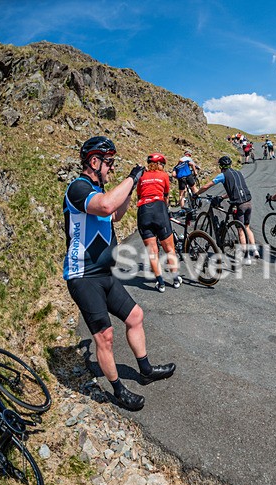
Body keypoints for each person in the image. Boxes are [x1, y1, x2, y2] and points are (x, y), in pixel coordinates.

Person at [63, 136, 176, 411]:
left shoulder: (97, 191)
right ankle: (118, 390)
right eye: (109, 162)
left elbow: (114, 215)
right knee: (105, 336)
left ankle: (145, 370)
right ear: (94, 161)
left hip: (105, 274)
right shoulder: (79, 188)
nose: (111, 168)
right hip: (83, 277)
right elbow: (105, 206)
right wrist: (130, 177)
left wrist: (130, 189)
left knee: (135, 316)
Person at [197, 155, 259, 264]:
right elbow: (236, 190)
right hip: (248, 202)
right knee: (246, 227)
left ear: (221, 166)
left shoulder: (223, 175)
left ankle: (247, 257)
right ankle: (254, 251)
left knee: (240, 231)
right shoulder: (239, 173)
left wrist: (196, 193)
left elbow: (207, 186)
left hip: (239, 204)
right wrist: (222, 197)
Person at [136, 153, 181, 292]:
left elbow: (139, 195)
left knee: (152, 252)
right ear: (159, 164)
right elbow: (166, 195)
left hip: (144, 211)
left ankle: (160, 283)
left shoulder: (142, 176)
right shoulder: (163, 175)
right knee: (169, 249)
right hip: (159, 209)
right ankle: (175, 280)